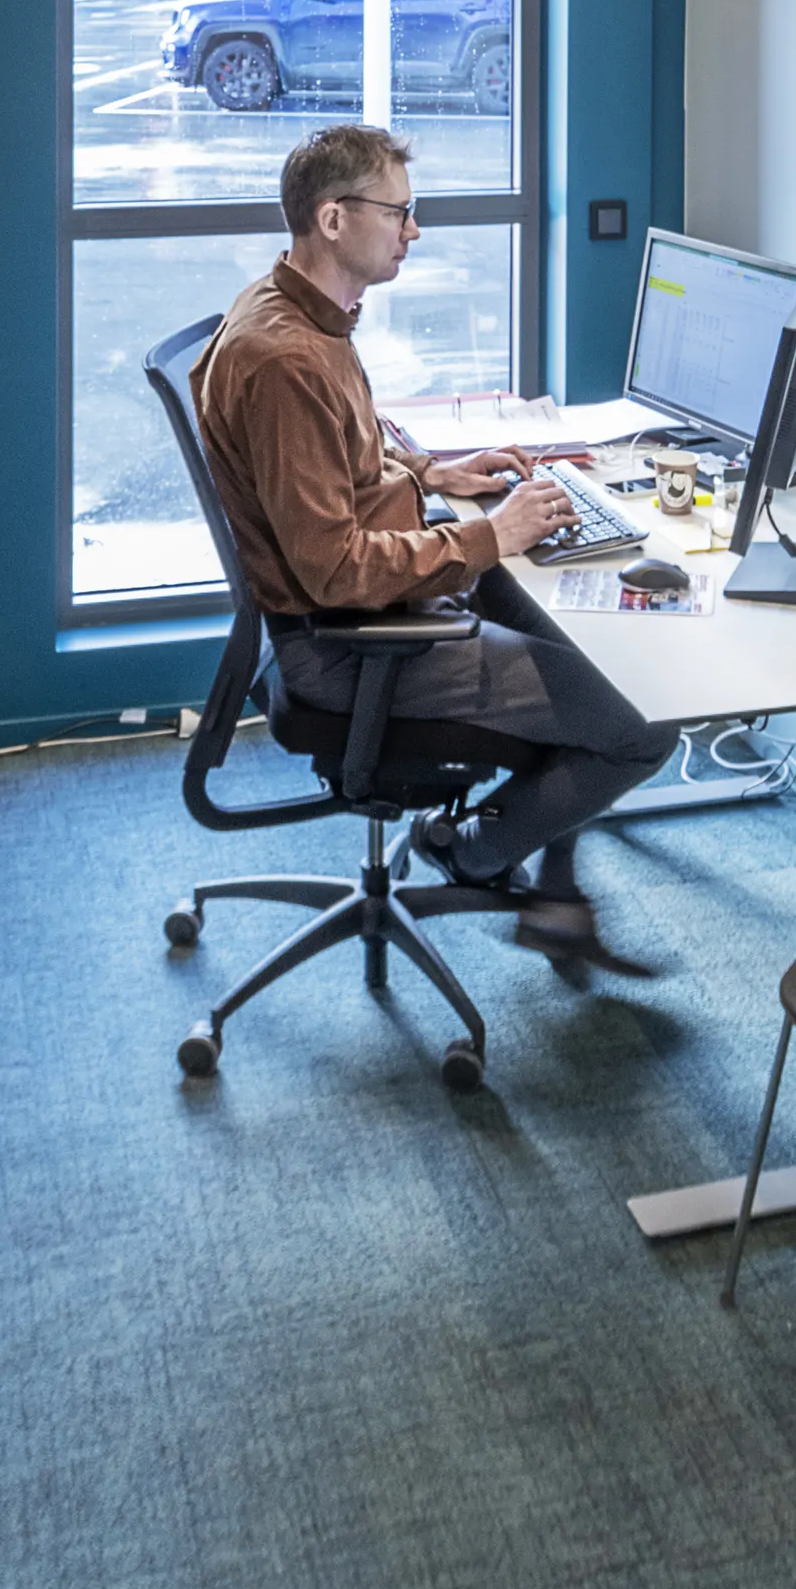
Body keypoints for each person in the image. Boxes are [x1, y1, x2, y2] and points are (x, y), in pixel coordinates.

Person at [196, 118, 673, 979]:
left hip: (392, 591)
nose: (414, 232)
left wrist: (443, 472)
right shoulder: (286, 362)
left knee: (604, 652)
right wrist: (490, 535)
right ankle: (473, 853)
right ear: (335, 219)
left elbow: (354, 457)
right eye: (401, 214)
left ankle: (555, 903)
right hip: (353, 645)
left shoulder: (302, 310)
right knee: (639, 725)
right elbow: (332, 569)